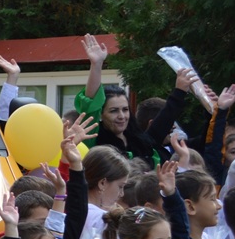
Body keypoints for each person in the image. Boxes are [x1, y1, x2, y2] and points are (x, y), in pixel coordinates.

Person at [76, 34, 195, 167]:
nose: (122, 116)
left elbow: (164, 121)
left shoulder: (140, 140)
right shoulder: (95, 142)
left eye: (125, 109)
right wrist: (96, 65)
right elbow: (91, 104)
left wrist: (180, 91)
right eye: (113, 111)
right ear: (101, 114)